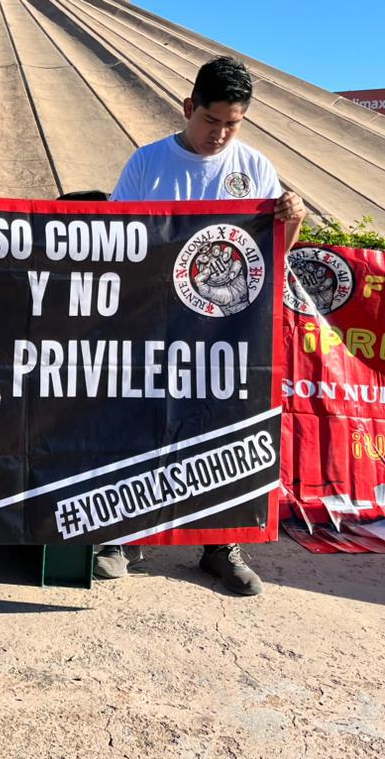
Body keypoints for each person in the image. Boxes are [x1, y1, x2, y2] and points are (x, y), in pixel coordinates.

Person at [98, 56, 305, 595]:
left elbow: (271, 255)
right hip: (152, 321)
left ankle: (221, 545)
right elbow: (117, 241)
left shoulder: (255, 167)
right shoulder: (148, 163)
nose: (220, 134)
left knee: (224, 429)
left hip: (225, 331)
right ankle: (121, 537)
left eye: (233, 123)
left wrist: (293, 221)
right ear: (189, 107)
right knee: (139, 424)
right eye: (211, 120)